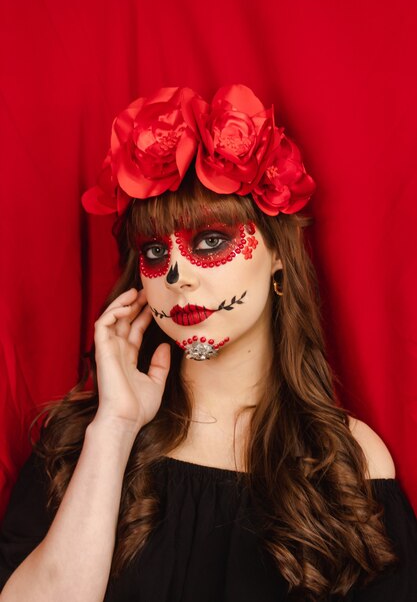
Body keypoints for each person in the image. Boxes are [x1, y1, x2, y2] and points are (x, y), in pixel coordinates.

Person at [0, 85, 416, 602]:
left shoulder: (345, 459)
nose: (177, 276)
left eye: (210, 241)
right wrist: (114, 430)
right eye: (154, 251)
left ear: (279, 255)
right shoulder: (77, 441)